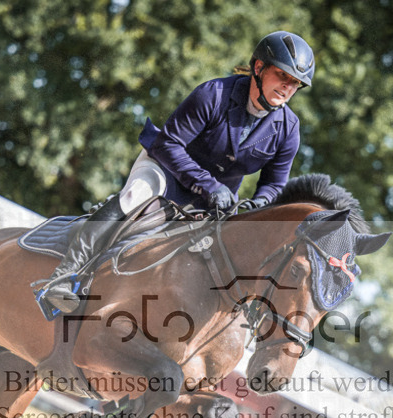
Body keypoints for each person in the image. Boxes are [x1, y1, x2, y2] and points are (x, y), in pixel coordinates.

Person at [37, 30, 316, 314]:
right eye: (283, 76)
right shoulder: (214, 94)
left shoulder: (288, 129)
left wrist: (259, 205)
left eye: (295, 84)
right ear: (259, 67)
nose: (287, 87)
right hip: (166, 170)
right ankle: (63, 276)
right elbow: (169, 144)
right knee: (133, 197)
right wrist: (209, 186)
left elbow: (274, 185)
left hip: (217, 201)